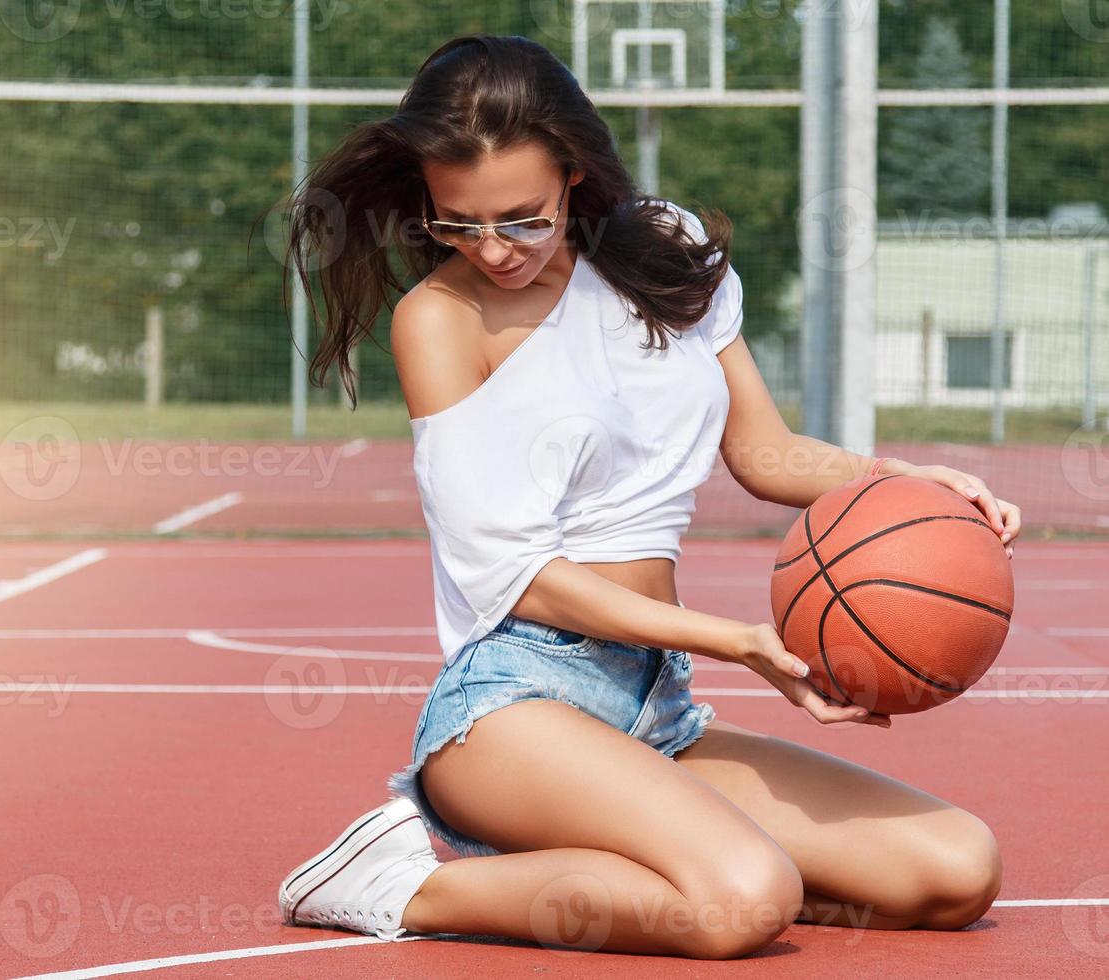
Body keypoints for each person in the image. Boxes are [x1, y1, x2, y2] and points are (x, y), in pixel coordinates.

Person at [272, 33, 1021, 960]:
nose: (494, 249)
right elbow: (519, 577)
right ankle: (398, 882)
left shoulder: (666, 249)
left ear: (575, 174)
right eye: (458, 222)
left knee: (953, 870)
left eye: (523, 217)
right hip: (515, 706)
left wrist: (898, 482)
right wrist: (744, 644)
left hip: (653, 709)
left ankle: (659, 853)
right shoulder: (440, 319)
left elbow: (764, 452)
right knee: (743, 901)